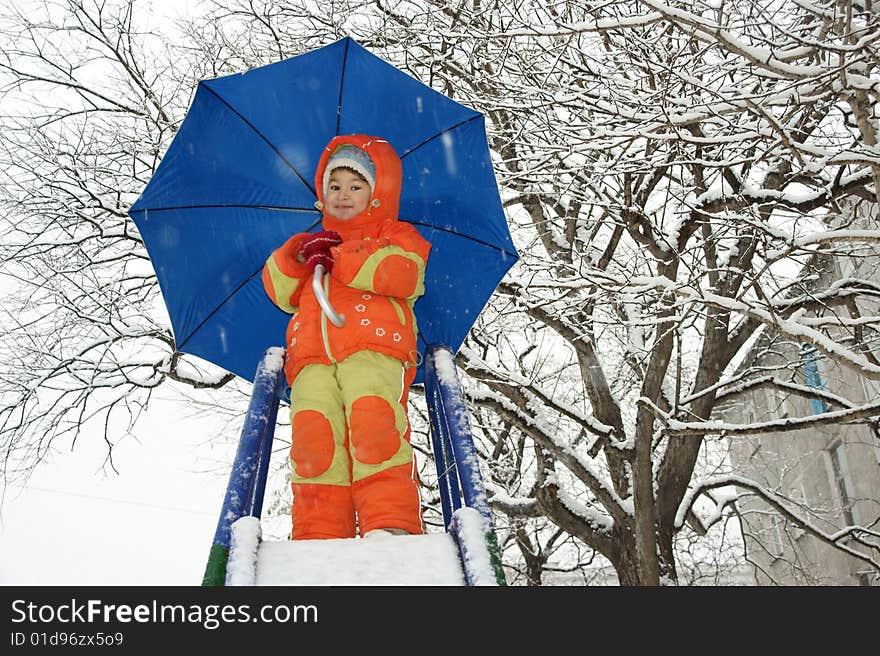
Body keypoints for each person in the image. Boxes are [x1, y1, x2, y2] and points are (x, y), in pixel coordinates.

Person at [261, 134, 431, 540]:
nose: (343, 194)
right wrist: (298, 255)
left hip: (373, 348)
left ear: (377, 192)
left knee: (373, 426)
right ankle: (319, 533)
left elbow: (402, 274)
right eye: (333, 186)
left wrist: (341, 257)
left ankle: (390, 523)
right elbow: (278, 289)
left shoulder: (396, 234)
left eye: (356, 186)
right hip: (311, 359)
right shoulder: (311, 244)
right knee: (313, 442)